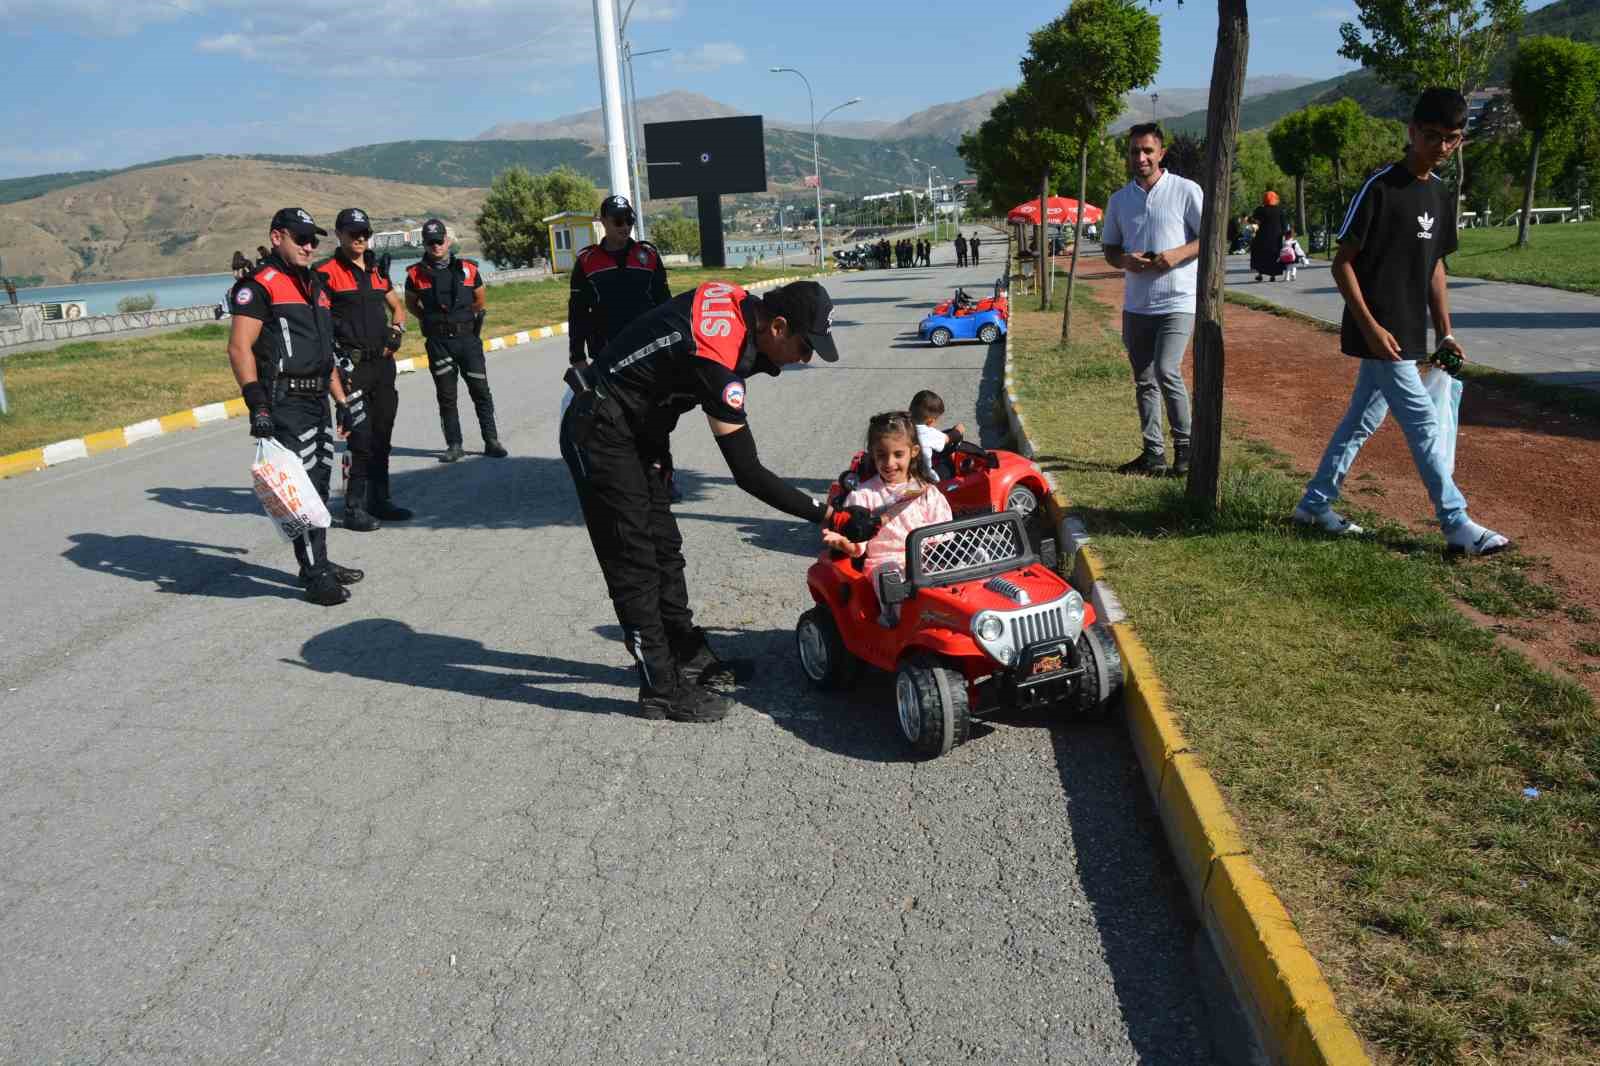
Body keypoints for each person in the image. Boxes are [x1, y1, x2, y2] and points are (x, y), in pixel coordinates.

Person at [559, 279, 876, 722]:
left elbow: (663, 366)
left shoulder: (744, 305)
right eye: (806, 346)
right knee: (634, 560)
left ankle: (689, 657)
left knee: (665, 550)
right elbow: (748, 473)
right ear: (779, 327)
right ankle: (660, 688)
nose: (806, 359)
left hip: (638, 425)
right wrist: (829, 515)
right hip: (597, 424)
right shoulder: (719, 358)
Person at [1293, 87, 1511, 557]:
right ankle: (1455, 523)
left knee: (1359, 425)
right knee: (1423, 424)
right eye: (1432, 136)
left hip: (1411, 335)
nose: (1442, 146)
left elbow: (1435, 268)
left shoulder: (1439, 193)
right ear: (1411, 132)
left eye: (1452, 138)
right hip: (1380, 333)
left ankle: (1314, 504)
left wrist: (1446, 331)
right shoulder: (1381, 188)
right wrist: (1370, 327)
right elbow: (1341, 262)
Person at [226, 208, 365, 606]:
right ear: (276, 238)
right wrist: (257, 405)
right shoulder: (260, 286)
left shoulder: (315, 285)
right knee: (299, 493)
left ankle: (316, 561)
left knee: (319, 488)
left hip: (318, 397)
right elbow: (239, 348)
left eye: (313, 240)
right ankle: (315, 574)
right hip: (284, 401)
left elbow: (326, 352)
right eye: (300, 238)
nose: (309, 246)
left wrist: (342, 401)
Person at [1101, 122, 1204, 477]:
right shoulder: (1119, 200)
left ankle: (1187, 449)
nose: (1141, 157)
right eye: (1134, 151)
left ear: (1161, 153)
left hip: (1177, 301)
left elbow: (1209, 236)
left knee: (1166, 370)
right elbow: (1110, 249)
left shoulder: (1186, 190)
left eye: (1148, 150)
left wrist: (1176, 255)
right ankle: (1153, 454)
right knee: (1144, 379)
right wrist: (1125, 261)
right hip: (1137, 305)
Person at [315, 207, 412, 531]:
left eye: (364, 233)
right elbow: (319, 324)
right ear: (339, 234)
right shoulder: (326, 272)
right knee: (360, 437)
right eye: (353, 233)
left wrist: (397, 333)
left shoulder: (376, 270)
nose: (359, 239)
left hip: (383, 366)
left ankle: (379, 500)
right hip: (351, 369)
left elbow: (397, 307)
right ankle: (353, 507)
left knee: (382, 434)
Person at [822, 411, 954, 626]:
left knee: (954, 574)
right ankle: (896, 620)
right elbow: (859, 544)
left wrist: (942, 553)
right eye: (881, 455)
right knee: (891, 578)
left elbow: (944, 532)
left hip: (924, 558)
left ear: (914, 452)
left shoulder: (926, 491)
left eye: (898, 454)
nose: (889, 463)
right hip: (883, 562)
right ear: (873, 455)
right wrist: (844, 543)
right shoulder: (863, 496)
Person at [405, 218, 505, 461]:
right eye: (430, 242)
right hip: (439, 344)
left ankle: (491, 441)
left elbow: (480, 300)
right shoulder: (415, 274)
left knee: (481, 391)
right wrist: (432, 321)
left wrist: (462, 321)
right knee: (446, 396)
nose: (436, 246)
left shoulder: (468, 269)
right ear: (425, 244)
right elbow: (411, 305)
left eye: (439, 240)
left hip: (467, 340)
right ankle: (454, 445)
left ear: (447, 241)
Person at [568, 194, 670, 369]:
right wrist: (577, 357)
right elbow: (578, 313)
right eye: (618, 221)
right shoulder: (587, 261)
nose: (625, 226)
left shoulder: (649, 256)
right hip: (607, 354)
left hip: (649, 351)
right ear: (603, 221)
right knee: (574, 398)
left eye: (629, 220)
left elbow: (665, 304)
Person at [910, 388, 966, 479]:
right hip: (926, 476)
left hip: (910, 468)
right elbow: (949, 438)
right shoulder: (928, 433)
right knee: (951, 466)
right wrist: (958, 430)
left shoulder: (903, 424)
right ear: (930, 421)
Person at [1251, 191, 1286, 282]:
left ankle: (1260, 274)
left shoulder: (1261, 210)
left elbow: (1254, 220)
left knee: (1261, 254)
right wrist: (1284, 234)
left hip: (1262, 236)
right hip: (1276, 237)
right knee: (1274, 255)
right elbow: (1284, 225)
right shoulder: (1280, 210)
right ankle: (1273, 275)